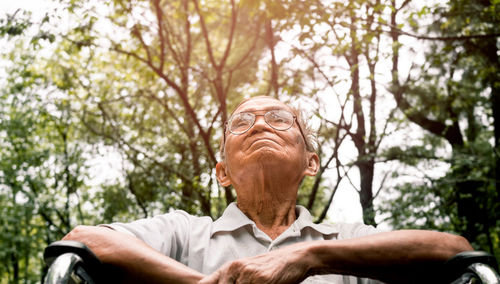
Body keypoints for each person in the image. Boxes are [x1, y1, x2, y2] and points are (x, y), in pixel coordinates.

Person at [63, 96, 473, 283]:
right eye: (240, 123)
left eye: (279, 118)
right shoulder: (184, 234)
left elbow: (453, 253)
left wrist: (311, 257)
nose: (258, 125)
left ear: (310, 163)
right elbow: (85, 240)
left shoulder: (348, 240)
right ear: (223, 173)